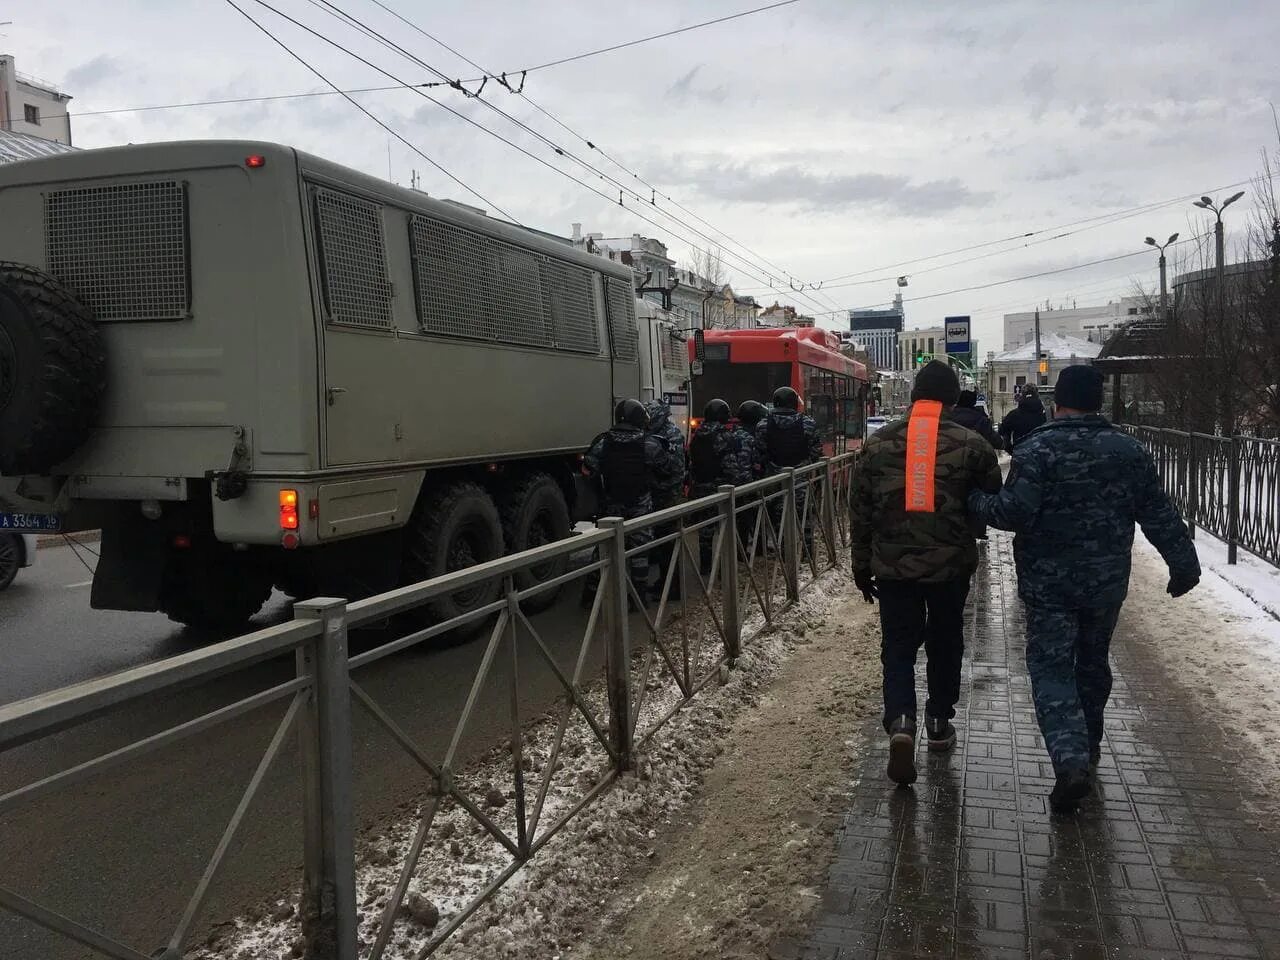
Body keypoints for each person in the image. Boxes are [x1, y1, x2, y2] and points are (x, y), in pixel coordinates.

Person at [968, 365, 1200, 812]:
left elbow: (1012, 513)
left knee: (1052, 668)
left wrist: (974, 501)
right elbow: (1157, 511)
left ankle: (1070, 760)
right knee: (1093, 663)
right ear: (1098, 402)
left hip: (1048, 585)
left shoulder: (1038, 449)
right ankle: (1089, 746)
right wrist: (1183, 563)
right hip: (1106, 583)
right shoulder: (1128, 451)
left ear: (1059, 403)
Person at [850, 360, 1001, 787]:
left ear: (915, 397)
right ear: (952, 398)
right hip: (950, 568)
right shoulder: (972, 445)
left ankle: (900, 721)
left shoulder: (877, 445)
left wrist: (861, 565)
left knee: (898, 646)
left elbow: (859, 512)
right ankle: (938, 721)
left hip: (894, 569)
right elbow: (992, 499)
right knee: (946, 640)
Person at [583, 399, 668, 601]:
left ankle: (591, 595)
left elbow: (588, 468)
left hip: (612, 506)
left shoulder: (604, 442)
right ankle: (637, 597)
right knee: (640, 551)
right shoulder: (650, 443)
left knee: (604, 549)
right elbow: (664, 468)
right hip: (639, 505)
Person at [757, 387, 823, 551]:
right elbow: (816, 451)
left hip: (774, 482)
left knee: (777, 516)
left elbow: (759, 453)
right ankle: (807, 550)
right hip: (801, 481)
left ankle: (783, 550)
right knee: (805, 515)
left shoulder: (763, 425)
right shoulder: (808, 423)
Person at [688, 398, 750, 571]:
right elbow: (730, 465)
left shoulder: (698, 435)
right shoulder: (724, 436)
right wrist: (739, 485)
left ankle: (705, 564)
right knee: (725, 528)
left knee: (705, 529)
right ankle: (725, 568)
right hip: (721, 490)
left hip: (701, 488)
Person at [644, 399, 689, 593]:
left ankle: (672, 587)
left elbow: (675, 468)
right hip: (657, 493)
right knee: (660, 542)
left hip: (667, 494)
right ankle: (666, 583)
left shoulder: (671, 435)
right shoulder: (655, 433)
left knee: (667, 542)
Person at [998, 383, 1047, 449]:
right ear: (1037, 395)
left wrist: (1011, 449)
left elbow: (1001, 431)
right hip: (1043, 454)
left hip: (1020, 454)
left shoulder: (1013, 415)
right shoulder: (1046, 414)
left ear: (1022, 396)